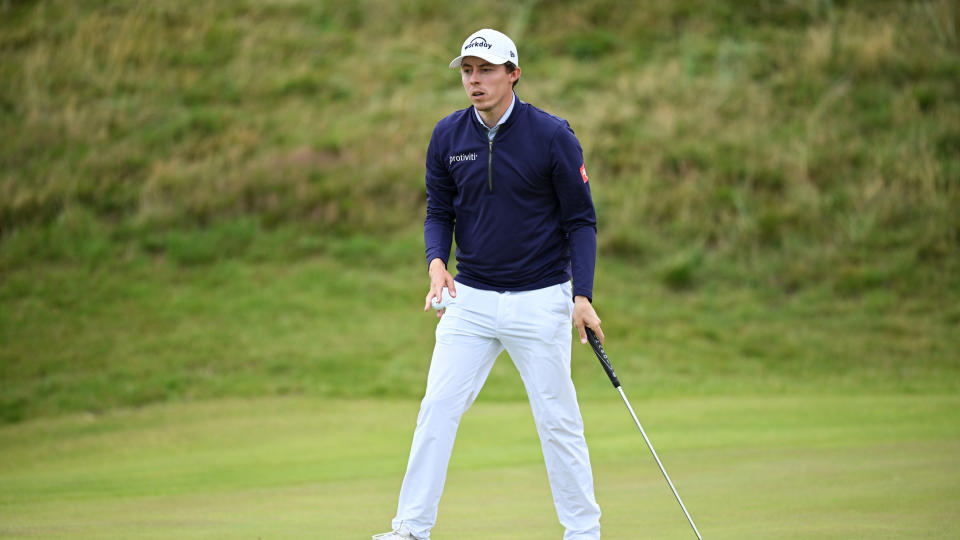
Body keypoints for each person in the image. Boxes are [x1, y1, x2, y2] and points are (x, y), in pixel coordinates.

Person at [374, 28, 605, 540]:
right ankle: (411, 529)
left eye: (486, 70)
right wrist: (437, 262)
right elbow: (439, 210)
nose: (474, 81)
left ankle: (583, 532)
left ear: (513, 74)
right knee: (437, 408)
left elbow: (581, 222)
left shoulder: (551, 136)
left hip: (541, 296)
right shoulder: (448, 136)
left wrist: (582, 296)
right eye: (467, 71)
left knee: (557, 419)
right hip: (470, 299)